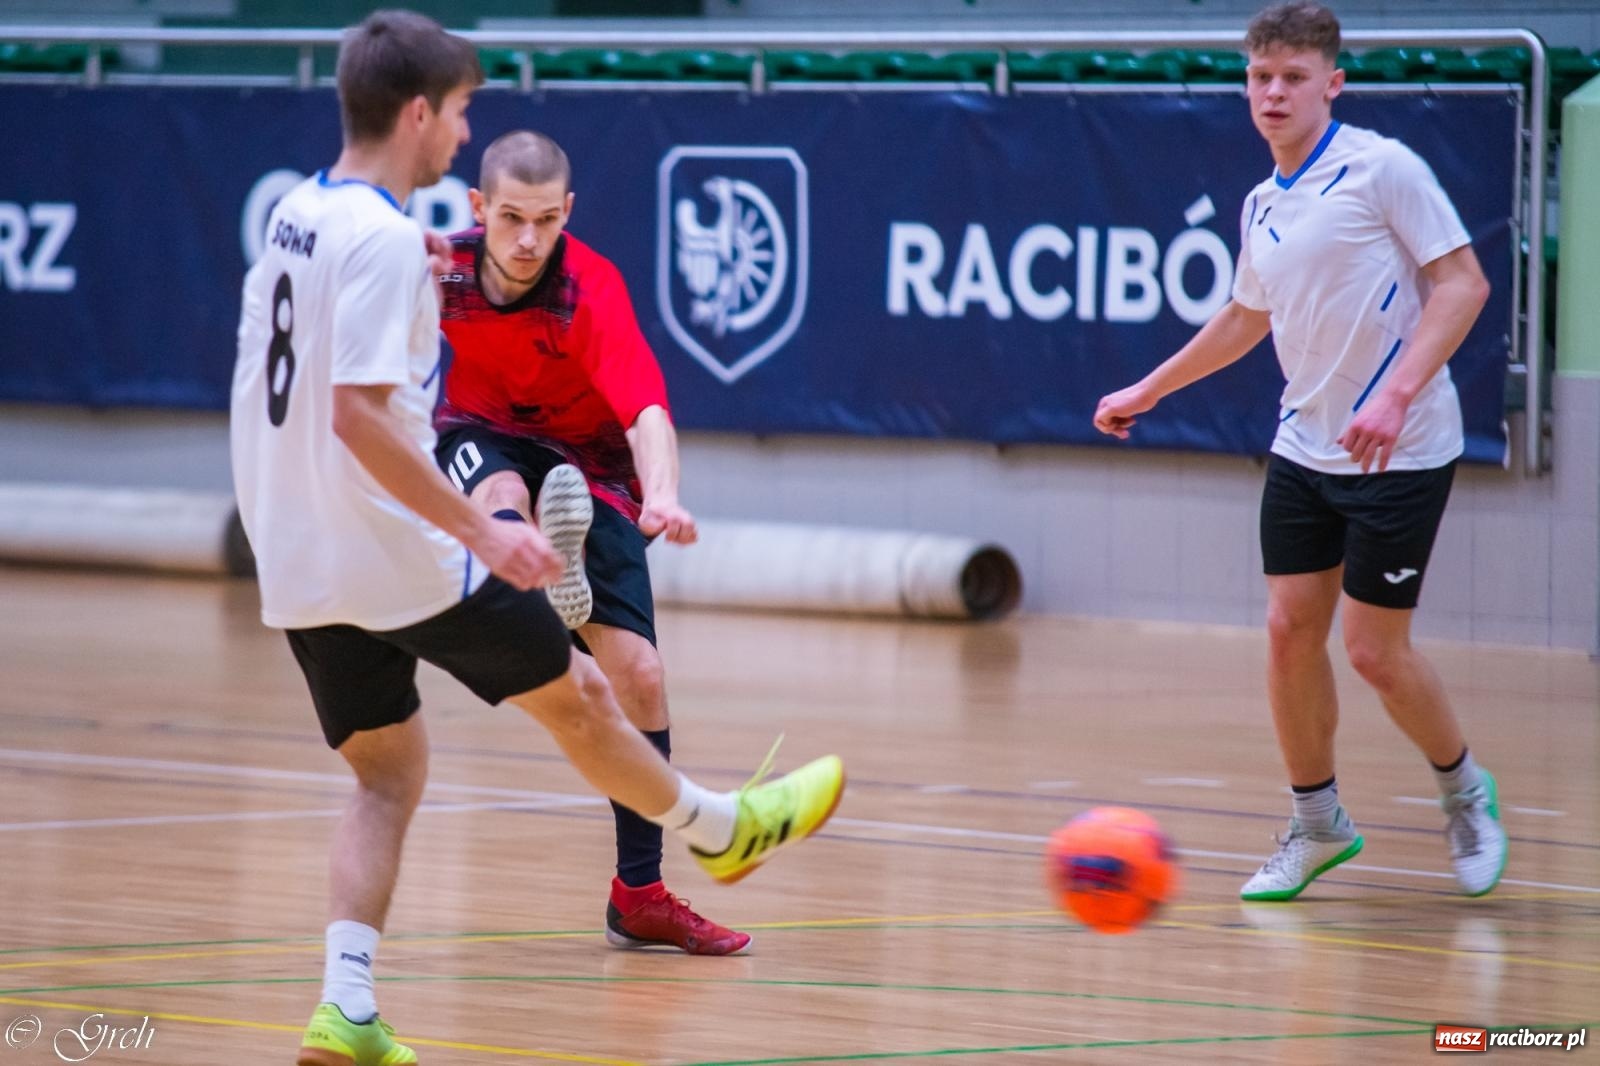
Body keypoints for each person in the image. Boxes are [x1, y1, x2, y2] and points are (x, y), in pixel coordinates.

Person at [229, 12, 845, 1065]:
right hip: (391, 548)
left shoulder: (301, 212)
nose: (464, 130)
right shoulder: (388, 241)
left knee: (387, 773)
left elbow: (275, 379)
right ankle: (718, 828)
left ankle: (346, 1006)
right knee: (582, 696)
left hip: (294, 556)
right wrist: (484, 533)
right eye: (460, 110)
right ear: (418, 113)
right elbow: (359, 418)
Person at [1093, 0, 1506, 902]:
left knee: (1374, 652)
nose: (1273, 93)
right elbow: (1246, 317)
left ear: (1333, 84)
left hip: (1401, 448)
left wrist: (1394, 394)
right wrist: (1149, 390)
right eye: (1260, 77)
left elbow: (1463, 285)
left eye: (1292, 77)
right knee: (1287, 632)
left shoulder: (1382, 168)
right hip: (1305, 442)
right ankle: (1317, 824)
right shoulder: (1262, 201)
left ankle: (1464, 794)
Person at [430, 129, 748, 955]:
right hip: (479, 433)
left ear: (567, 211)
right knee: (501, 494)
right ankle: (530, 557)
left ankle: (638, 895)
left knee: (639, 676)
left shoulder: (587, 285)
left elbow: (645, 409)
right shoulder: (436, 271)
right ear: (478, 208)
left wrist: (664, 495)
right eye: (510, 218)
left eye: (545, 220)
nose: (527, 239)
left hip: (592, 464)